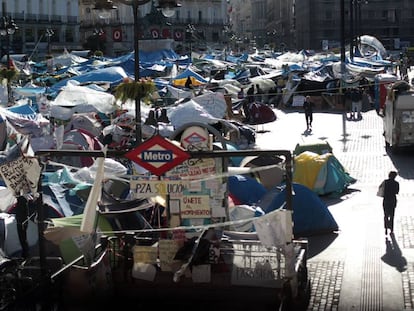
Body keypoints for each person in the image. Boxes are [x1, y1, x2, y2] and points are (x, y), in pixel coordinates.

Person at [381, 171, 399, 235]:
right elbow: (397, 192)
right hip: (392, 200)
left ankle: (386, 227)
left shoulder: (385, 182)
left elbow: (381, 190)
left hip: (386, 200)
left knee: (386, 215)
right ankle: (391, 228)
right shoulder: (396, 183)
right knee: (392, 215)